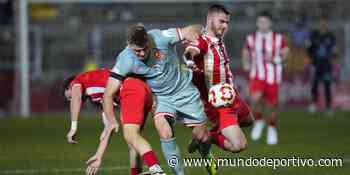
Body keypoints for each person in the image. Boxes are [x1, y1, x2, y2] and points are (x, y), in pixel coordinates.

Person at [92, 24, 210, 175]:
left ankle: (205, 149)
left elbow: (193, 29)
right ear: (129, 45)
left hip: (185, 91)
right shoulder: (125, 60)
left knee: (202, 136)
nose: (141, 54)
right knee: (164, 131)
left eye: (144, 49)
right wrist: (110, 121)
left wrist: (194, 38)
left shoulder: (160, 37)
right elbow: (108, 93)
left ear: (148, 40)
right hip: (162, 98)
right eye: (137, 51)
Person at [184, 4, 254, 173]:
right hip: (219, 103)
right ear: (210, 19)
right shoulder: (202, 42)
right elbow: (190, 51)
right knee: (239, 145)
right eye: (221, 21)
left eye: (227, 22)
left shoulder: (217, 38)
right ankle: (206, 137)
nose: (225, 26)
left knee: (248, 120)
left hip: (231, 95)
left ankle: (203, 134)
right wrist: (190, 62)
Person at [61, 69, 165, 175]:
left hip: (131, 88)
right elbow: (109, 128)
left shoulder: (78, 81)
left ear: (69, 86)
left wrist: (73, 127)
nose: (70, 100)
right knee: (133, 141)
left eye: (69, 97)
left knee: (132, 136)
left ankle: (156, 170)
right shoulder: (98, 95)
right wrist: (99, 155)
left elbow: (76, 98)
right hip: (141, 88)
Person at [242, 11, 289, 145]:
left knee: (272, 104)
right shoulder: (251, 38)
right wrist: (246, 63)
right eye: (260, 22)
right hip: (257, 74)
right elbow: (246, 51)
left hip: (273, 76)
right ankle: (259, 120)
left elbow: (286, 53)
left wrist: (277, 59)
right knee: (254, 98)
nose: (262, 24)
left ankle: (272, 128)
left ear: (270, 23)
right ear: (257, 23)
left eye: (265, 22)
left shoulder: (278, 38)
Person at [306, 16, 337, 115]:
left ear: (326, 24)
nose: (323, 24)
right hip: (316, 64)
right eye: (321, 22)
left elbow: (334, 50)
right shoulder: (314, 35)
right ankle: (313, 104)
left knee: (327, 85)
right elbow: (309, 48)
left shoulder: (330, 36)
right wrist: (311, 60)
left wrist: (334, 60)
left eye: (324, 22)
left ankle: (328, 107)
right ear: (319, 23)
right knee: (314, 85)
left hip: (327, 65)